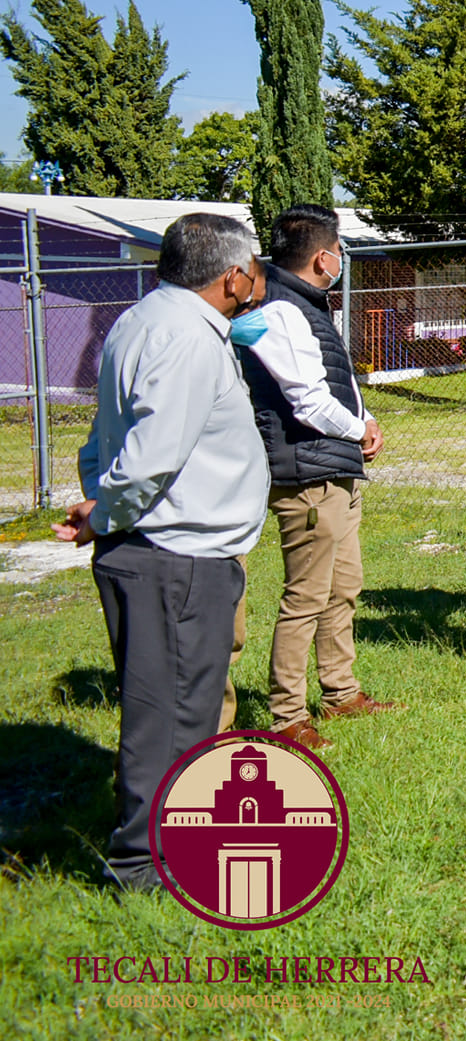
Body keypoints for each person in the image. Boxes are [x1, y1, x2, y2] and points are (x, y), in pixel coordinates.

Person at [56, 213, 270, 891]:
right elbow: (149, 458)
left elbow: (102, 439)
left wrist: (102, 504)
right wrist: (109, 514)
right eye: (256, 267)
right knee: (173, 719)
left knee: (175, 708)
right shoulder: (188, 340)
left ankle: (168, 846)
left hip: (159, 547)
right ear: (233, 276)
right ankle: (142, 869)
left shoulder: (143, 321)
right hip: (175, 557)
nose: (259, 278)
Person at [233, 203, 394, 752]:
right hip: (307, 473)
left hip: (334, 468)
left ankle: (341, 691)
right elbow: (307, 400)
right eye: (340, 250)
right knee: (305, 597)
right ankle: (286, 714)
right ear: (324, 257)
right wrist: (356, 429)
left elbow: (336, 379)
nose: (342, 259)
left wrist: (365, 419)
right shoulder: (280, 310)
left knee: (343, 588)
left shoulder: (309, 304)